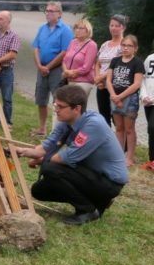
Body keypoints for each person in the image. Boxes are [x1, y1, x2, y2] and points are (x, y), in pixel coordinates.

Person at [17, 85, 128, 225]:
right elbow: (46, 147)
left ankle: (87, 210)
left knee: (51, 168)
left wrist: (42, 160)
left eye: (60, 106)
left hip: (109, 182)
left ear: (77, 109)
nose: (56, 110)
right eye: (55, 105)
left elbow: (65, 158)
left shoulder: (93, 124)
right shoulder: (67, 121)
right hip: (90, 174)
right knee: (39, 190)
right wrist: (21, 151)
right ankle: (97, 200)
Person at [31, 1, 74, 136]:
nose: (48, 13)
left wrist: (48, 67)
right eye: (47, 11)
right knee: (41, 98)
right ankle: (42, 128)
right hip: (41, 68)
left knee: (58, 100)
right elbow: (36, 48)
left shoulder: (65, 30)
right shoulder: (42, 28)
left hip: (57, 70)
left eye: (51, 11)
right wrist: (39, 66)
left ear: (59, 14)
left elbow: (64, 52)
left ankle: (57, 130)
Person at [106, 34, 145, 167]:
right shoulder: (115, 61)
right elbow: (108, 80)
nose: (126, 48)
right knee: (119, 128)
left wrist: (120, 97)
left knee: (129, 129)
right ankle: (118, 155)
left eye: (129, 46)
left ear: (135, 48)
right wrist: (113, 95)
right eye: (124, 45)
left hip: (129, 99)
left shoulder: (137, 62)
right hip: (114, 97)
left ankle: (129, 158)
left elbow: (137, 83)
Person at [94, 14, 126, 126]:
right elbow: (97, 63)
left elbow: (118, 66)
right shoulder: (105, 45)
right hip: (101, 86)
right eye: (111, 25)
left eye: (117, 26)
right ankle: (106, 137)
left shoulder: (124, 45)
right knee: (103, 118)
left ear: (123, 27)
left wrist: (101, 78)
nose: (113, 28)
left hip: (116, 86)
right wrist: (98, 79)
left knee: (117, 119)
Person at [61, 18, 97, 97]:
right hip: (69, 79)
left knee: (75, 101)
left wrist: (72, 72)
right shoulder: (73, 42)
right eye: (76, 28)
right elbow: (64, 60)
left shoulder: (92, 45)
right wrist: (66, 71)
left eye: (81, 28)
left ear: (87, 30)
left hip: (83, 81)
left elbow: (86, 68)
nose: (77, 30)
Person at [140, 42, 154, 171]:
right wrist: (144, 96)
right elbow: (143, 78)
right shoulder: (150, 58)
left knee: (152, 127)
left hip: (152, 100)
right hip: (147, 101)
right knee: (151, 130)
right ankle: (151, 160)